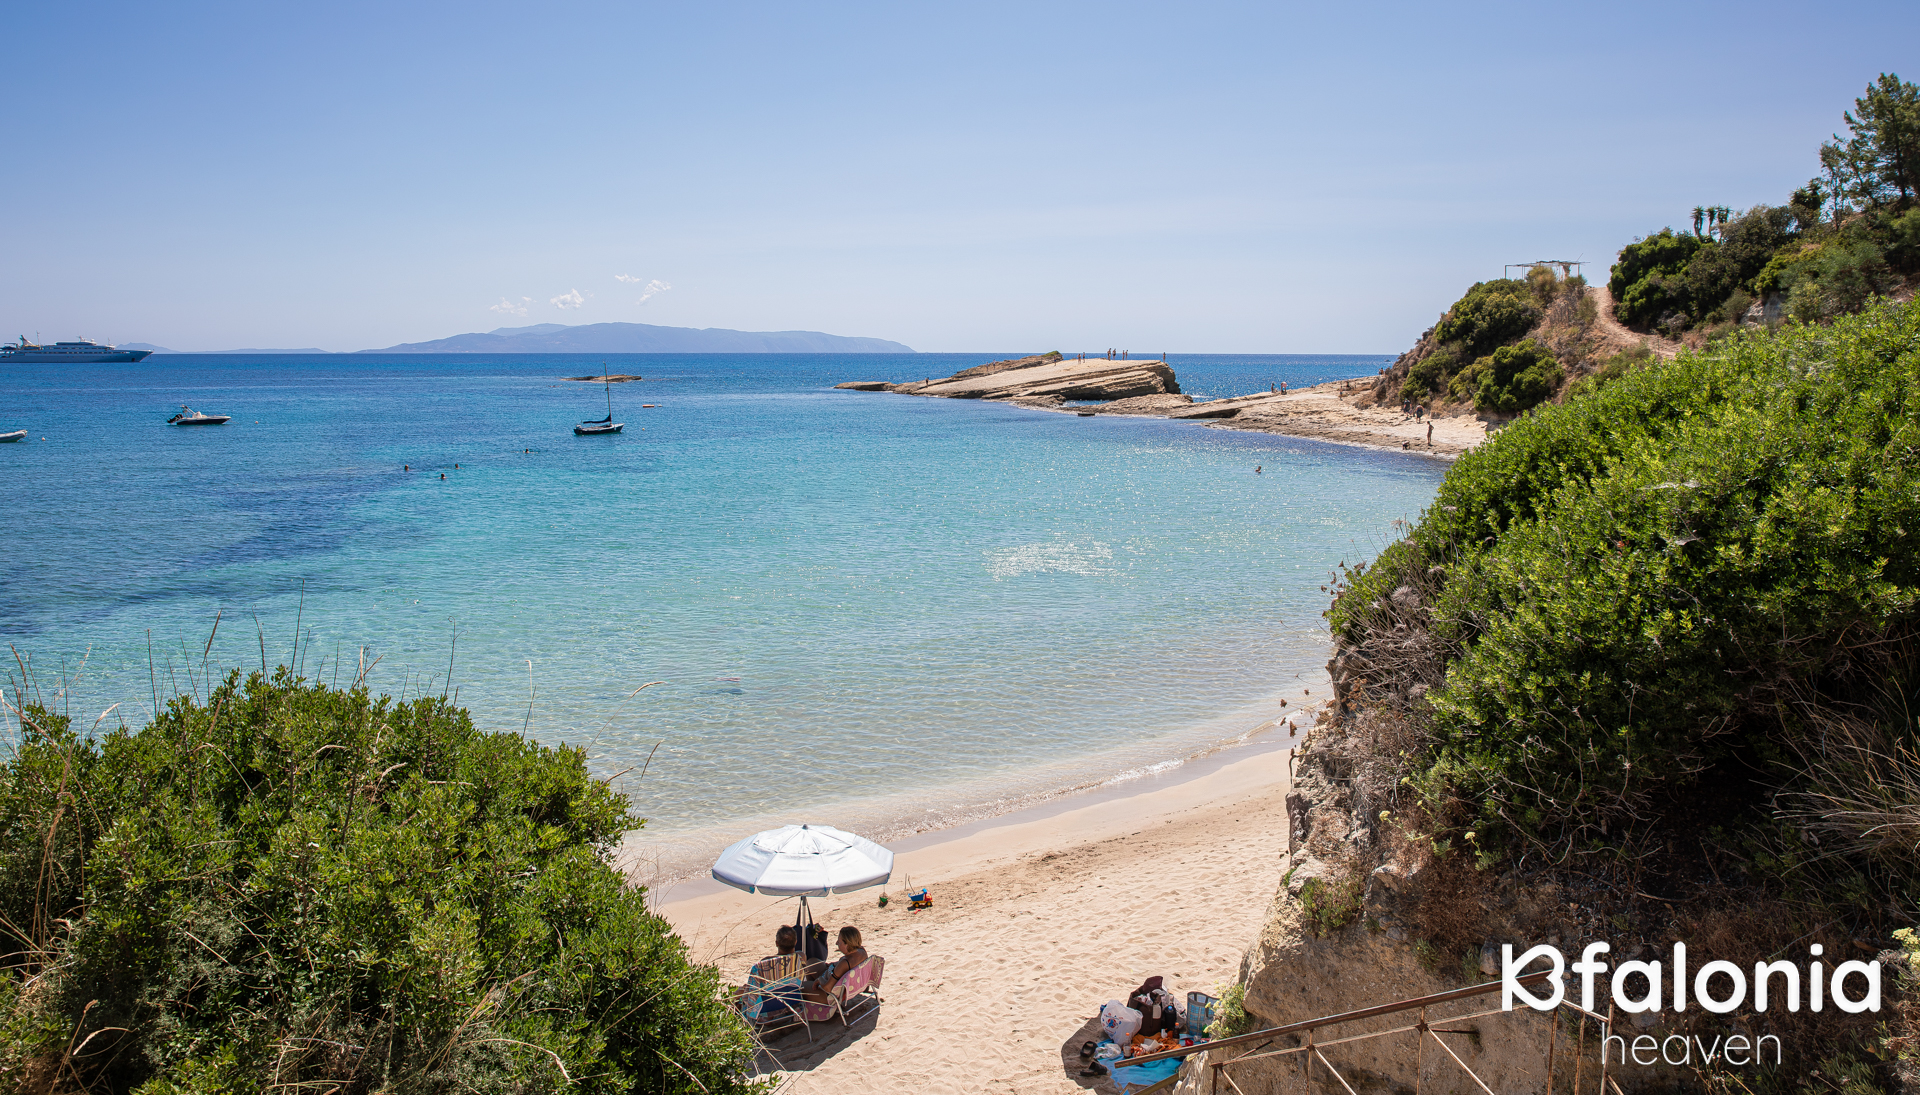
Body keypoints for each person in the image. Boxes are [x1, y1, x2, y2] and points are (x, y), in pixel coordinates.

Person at [736, 925, 804, 1018]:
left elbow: (753, 992)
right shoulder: (801, 957)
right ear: (796, 942)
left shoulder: (763, 964)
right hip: (793, 1004)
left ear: (776, 943)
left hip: (768, 1010)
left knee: (740, 993)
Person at [805, 926, 869, 1005]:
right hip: (832, 977)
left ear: (847, 945)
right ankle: (812, 989)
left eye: (839, 942)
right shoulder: (862, 951)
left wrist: (819, 980)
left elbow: (828, 988)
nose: (836, 943)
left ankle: (813, 998)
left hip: (828, 995)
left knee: (800, 987)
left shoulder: (845, 963)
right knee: (811, 962)